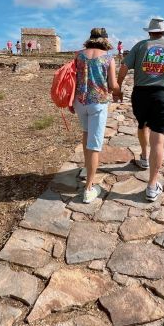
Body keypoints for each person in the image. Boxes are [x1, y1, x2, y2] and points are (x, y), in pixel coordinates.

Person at [113, 17, 164, 202]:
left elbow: (123, 67)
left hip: (140, 94)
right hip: (162, 95)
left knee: (142, 124)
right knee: (158, 139)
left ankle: (144, 157)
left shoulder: (140, 46)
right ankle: (152, 186)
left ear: (149, 32)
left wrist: (118, 88)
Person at [71, 27, 118, 203]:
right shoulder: (108, 58)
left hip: (80, 101)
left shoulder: (79, 55)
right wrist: (118, 91)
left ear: (90, 39)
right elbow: (113, 85)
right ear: (105, 40)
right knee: (95, 143)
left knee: (86, 133)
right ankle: (89, 188)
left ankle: (86, 168)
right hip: (97, 103)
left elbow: (73, 78)